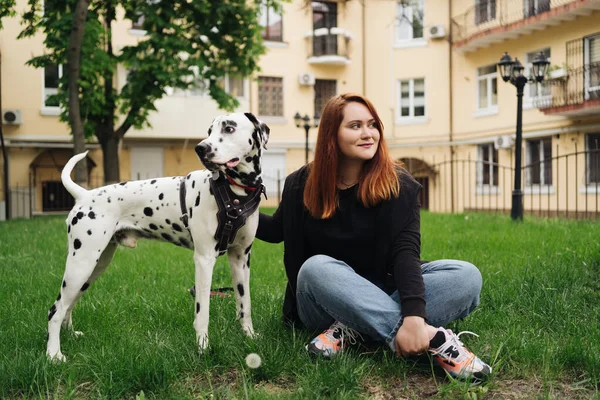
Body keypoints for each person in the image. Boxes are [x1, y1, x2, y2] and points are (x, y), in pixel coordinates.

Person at [256, 93, 491, 382]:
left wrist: (415, 315)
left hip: (384, 286)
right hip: (321, 301)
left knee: (466, 276)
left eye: (372, 124)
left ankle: (353, 330)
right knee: (316, 267)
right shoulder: (300, 184)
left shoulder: (398, 184)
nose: (368, 134)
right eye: (355, 126)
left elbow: (406, 252)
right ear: (332, 135)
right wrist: (233, 208)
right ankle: (432, 340)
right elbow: (275, 230)